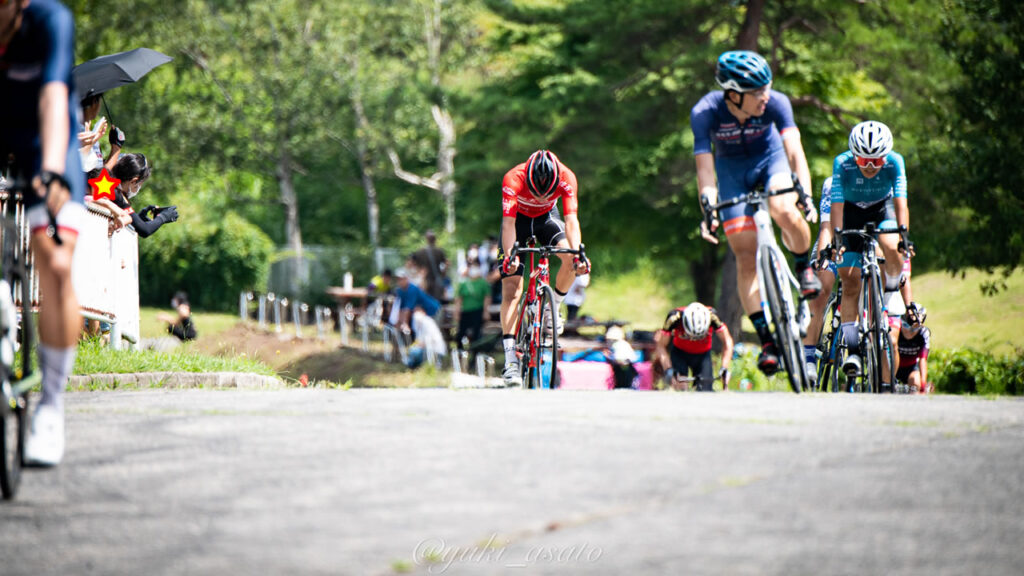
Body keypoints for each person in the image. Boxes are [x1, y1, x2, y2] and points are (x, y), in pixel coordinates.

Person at [692, 50, 819, 376]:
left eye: (767, 87)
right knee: (745, 257)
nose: (766, 96)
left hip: (770, 159)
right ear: (733, 94)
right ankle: (768, 341)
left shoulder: (777, 103)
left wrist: (803, 190)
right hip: (732, 173)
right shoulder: (705, 112)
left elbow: (794, 152)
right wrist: (708, 206)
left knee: (783, 209)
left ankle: (804, 268)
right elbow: (705, 170)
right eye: (757, 92)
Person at [1, 0, 89, 466]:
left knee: (56, 260)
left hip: (43, 137)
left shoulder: (50, 21)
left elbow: (55, 98)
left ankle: (51, 407)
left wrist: (53, 172)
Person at [820, 121, 913, 387]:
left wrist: (904, 236)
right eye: (863, 159)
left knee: (892, 244)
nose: (870, 166)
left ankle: (890, 286)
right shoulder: (843, 163)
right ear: (853, 154)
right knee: (849, 283)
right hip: (850, 211)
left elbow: (901, 204)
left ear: (886, 156)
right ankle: (854, 352)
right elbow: (836, 204)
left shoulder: (895, 162)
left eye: (877, 160)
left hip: (882, 210)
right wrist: (837, 239)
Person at [497, 149, 590, 387]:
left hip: (547, 220)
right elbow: (508, 224)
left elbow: (571, 221)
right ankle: (510, 362)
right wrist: (509, 257)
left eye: (545, 194)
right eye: (536, 193)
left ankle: (553, 308)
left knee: (570, 259)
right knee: (511, 289)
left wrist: (579, 253)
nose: (539, 197)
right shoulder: (513, 178)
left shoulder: (566, 177)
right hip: (517, 222)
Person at [801, 176, 840, 386]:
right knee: (820, 287)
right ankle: (808, 357)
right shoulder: (833, 182)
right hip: (834, 236)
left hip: (863, 238)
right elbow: (826, 227)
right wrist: (822, 260)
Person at [656, 303, 734, 392]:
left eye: (699, 336)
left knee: (706, 391)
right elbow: (661, 345)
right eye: (689, 335)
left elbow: (728, 342)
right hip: (680, 354)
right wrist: (668, 369)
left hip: (703, 355)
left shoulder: (713, 316)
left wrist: (724, 368)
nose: (693, 339)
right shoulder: (674, 317)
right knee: (681, 388)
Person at [392, 267, 441, 338]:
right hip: (422, 314)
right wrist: (398, 323)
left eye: (402, 279)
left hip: (434, 311)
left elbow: (407, 309)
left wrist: (404, 323)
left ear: (406, 279)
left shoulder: (412, 289)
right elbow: (400, 309)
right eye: (398, 279)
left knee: (432, 335)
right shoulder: (399, 291)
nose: (400, 281)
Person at [453, 265, 490, 354]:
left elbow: (487, 297)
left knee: (476, 334)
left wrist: (486, 311)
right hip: (465, 311)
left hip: (477, 311)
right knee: (460, 333)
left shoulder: (483, 283)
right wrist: (457, 312)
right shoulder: (464, 284)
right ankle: (460, 352)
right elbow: (459, 299)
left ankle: (475, 355)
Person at [896, 303, 930, 393]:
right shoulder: (896, 330)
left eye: (916, 328)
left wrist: (923, 384)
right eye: (907, 327)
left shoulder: (923, 333)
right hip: (894, 367)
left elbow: (923, 360)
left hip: (911, 368)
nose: (910, 333)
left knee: (915, 382)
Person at [410, 229, 448, 302]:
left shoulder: (420, 252)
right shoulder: (439, 251)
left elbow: (413, 264)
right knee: (436, 303)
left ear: (426, 239)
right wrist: (442, 274)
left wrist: (419, 274)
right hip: (436, 281)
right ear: (435, 239)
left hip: (424, 281)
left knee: (425, 301)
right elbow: (446, 264)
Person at [604, 325, 638, 389]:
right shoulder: (624, 344)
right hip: (628, 366)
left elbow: (619, 360)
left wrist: (608, 357)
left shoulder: (618, 345)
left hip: (625, 369)